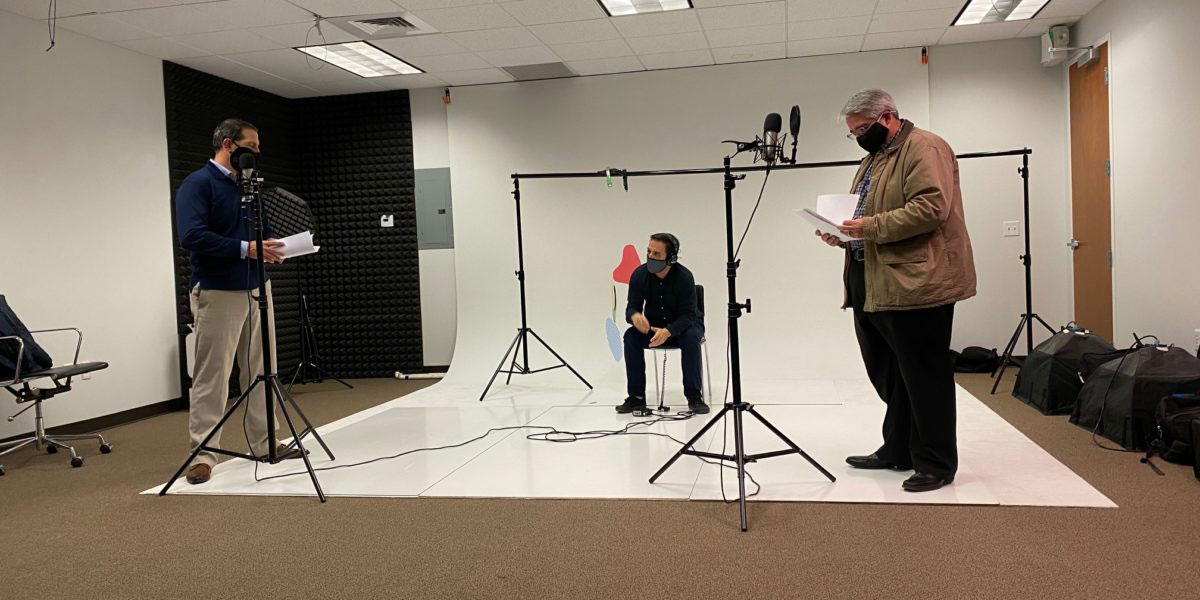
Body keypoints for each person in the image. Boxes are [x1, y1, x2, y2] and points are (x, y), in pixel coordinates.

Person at [815, 89, 977, 492]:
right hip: (872, 276)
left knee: (925, 376)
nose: (858, 138)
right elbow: (865, 214)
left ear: (888, 117)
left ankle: (937, 463)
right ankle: (899, 449)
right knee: (890, 373)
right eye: (852, 133)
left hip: (916, 282)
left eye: (863, 129)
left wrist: (866, 229)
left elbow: (930, 208)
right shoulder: (874, 158)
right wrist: (846, 235)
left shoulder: (926, 147)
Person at [175, 118, 299, 485]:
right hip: (218, 291)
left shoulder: (248, 188)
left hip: (258, 289)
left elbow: (262, 232)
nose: (258, 153)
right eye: (253, 146)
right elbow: (192, 235)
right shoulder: (198, 184)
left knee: (262, 370)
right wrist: (246, 249)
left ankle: (266, 443)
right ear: (230, 146)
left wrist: (274, 248)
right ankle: (203, 454)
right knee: (211, 377)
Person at [619, 233, 709, 416]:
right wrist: (635, 317)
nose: (651, 256)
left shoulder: (684, 277)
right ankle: (636, 397)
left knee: (691, 338)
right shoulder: (639, 275)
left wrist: (669, 331)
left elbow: (689, 314)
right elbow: (632, 307)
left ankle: (694, 396)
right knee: (630, 337)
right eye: (649, 251)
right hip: (654, 326)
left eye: (657, 254)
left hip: (685, 325)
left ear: (671, 257)